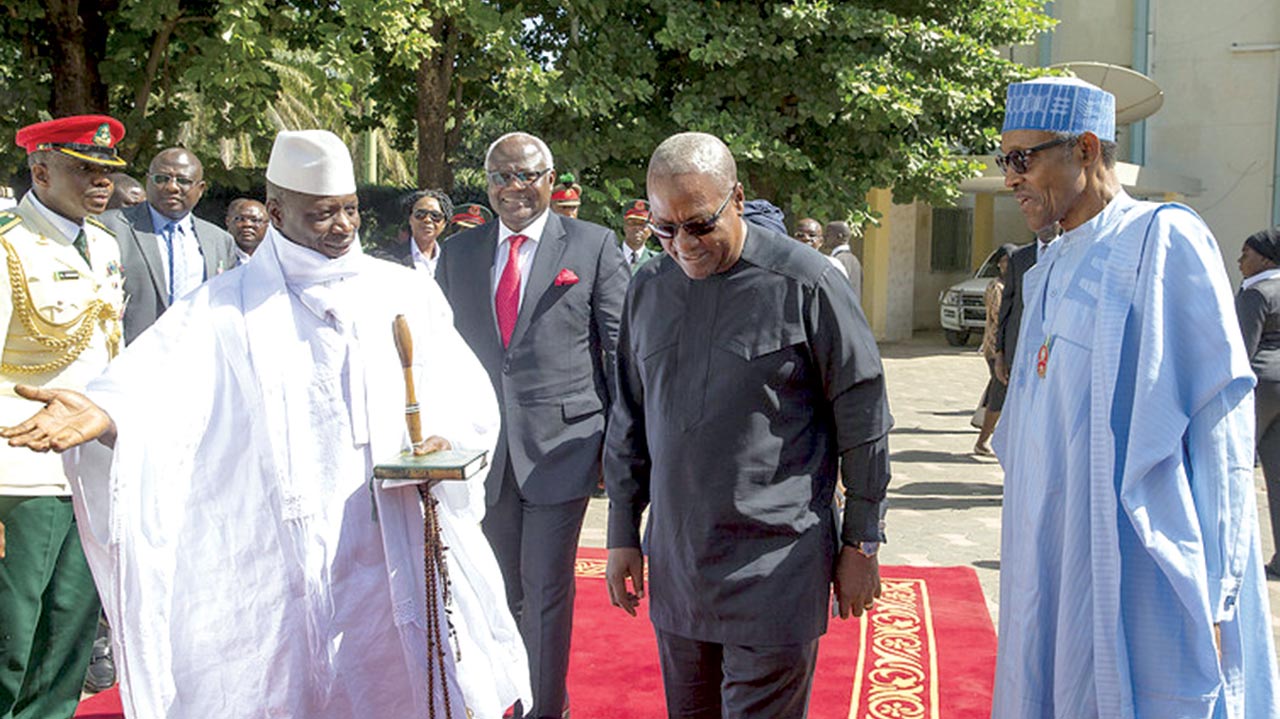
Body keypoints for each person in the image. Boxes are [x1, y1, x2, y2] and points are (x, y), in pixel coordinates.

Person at [1, 129, 530, 719]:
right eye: (323, 213)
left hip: (391, 545)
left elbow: (464, 395)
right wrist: (105, 411)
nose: (343, 226)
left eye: (350, 210)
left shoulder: (402, 292)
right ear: (277, 211)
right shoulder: (225, 307)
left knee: (395, 684)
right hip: (281, 562)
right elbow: (157, 379)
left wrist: (444, 439)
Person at [991, 77, 1279, 718]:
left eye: (1022, 159)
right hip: (1049, 554)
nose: (1009, 177)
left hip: (1139, 561)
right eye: (1002, 159)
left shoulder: (1163, 239)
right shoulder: (1049, 264)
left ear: (1086, 148)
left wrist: (1220, 590)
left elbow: (1220, 426)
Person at [604, 132, 892, 718]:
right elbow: (629, 418)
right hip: (681, 568)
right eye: (663, 228)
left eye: (698, 225)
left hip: (777, 568)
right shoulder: (648, 289)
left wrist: (861, 540)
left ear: (736, 198)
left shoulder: (809, 284)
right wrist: (621, 532)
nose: (682, 244)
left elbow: (863, 417)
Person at [434, 131, 628, 719]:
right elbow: (444, 354)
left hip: (562, 449)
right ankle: (514, 700)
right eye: (500, 177)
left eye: (525, 176)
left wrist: (621, 451)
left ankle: (545, 712)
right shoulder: (460, 253)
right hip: (484, 456)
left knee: (545, 592)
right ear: (486, 183)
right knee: (499, 592)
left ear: (550, 179)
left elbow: (618, 351)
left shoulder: (593, 246)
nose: (513, 188)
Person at [0, 114, 127, 719]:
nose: (100, 182)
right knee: (10, 648)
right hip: (18, 477)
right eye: (84, 169)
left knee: (67, 649)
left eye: (106, 172)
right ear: (41, 170)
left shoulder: (103, 244)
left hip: (88, 470)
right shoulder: (7, 243)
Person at [101, 147, 237, 344]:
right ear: (148, 181)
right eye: (161, 179)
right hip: (129, 359)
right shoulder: (109, 227)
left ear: (200, 189)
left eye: (183, 181)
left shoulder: (220, 241)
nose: (172, 187)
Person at [1236, 226, 1280, 579]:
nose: (1239, 263)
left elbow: (1241, 350)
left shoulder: (1255, 293)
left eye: (1245, 255)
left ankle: (1236, 562)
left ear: (1264, 258)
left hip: (1259, 388)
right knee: (1276, 479)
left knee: (1235, 474)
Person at [994, 224, 1056, 385]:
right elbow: (1007, 305)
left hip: (1053, 348)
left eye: (1052, 221)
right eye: (1043, 222)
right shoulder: (1019, 257)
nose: (1047, 226)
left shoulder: (1068, 253)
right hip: (1019, 348)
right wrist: (1000, 352)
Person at [974, 244, 1015, 456]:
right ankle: (983, 439)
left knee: (998, 389)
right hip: (995, 348)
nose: (1008, 265)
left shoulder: (1013, 284)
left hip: (1008, 347)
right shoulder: (996, 287)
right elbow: (999, 317)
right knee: (1000, 390)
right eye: (1004, 261)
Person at [381, 189, 453, 276]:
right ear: (410, 219)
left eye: (435, 215)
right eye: (420, 214)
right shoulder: (388, 259)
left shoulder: (452, 261)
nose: (427, 220)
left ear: (444, 223)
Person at [824, 220, 862, 305]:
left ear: (839, 237)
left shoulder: (837, 261)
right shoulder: (854, 260)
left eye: (828, 234)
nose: (824, 237)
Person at [224, 197, 268, 262]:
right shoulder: (216, 252)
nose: (247, 224)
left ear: (268, 224)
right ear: (227, 221)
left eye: (255, 220)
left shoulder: (277, 257)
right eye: (240, 219)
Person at [620, 199, 657, 272]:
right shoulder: (608, 256)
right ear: (625, 226)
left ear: (651, 230)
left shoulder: (657, 262)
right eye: (632, 223)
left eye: (643, 224)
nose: (637, 228)